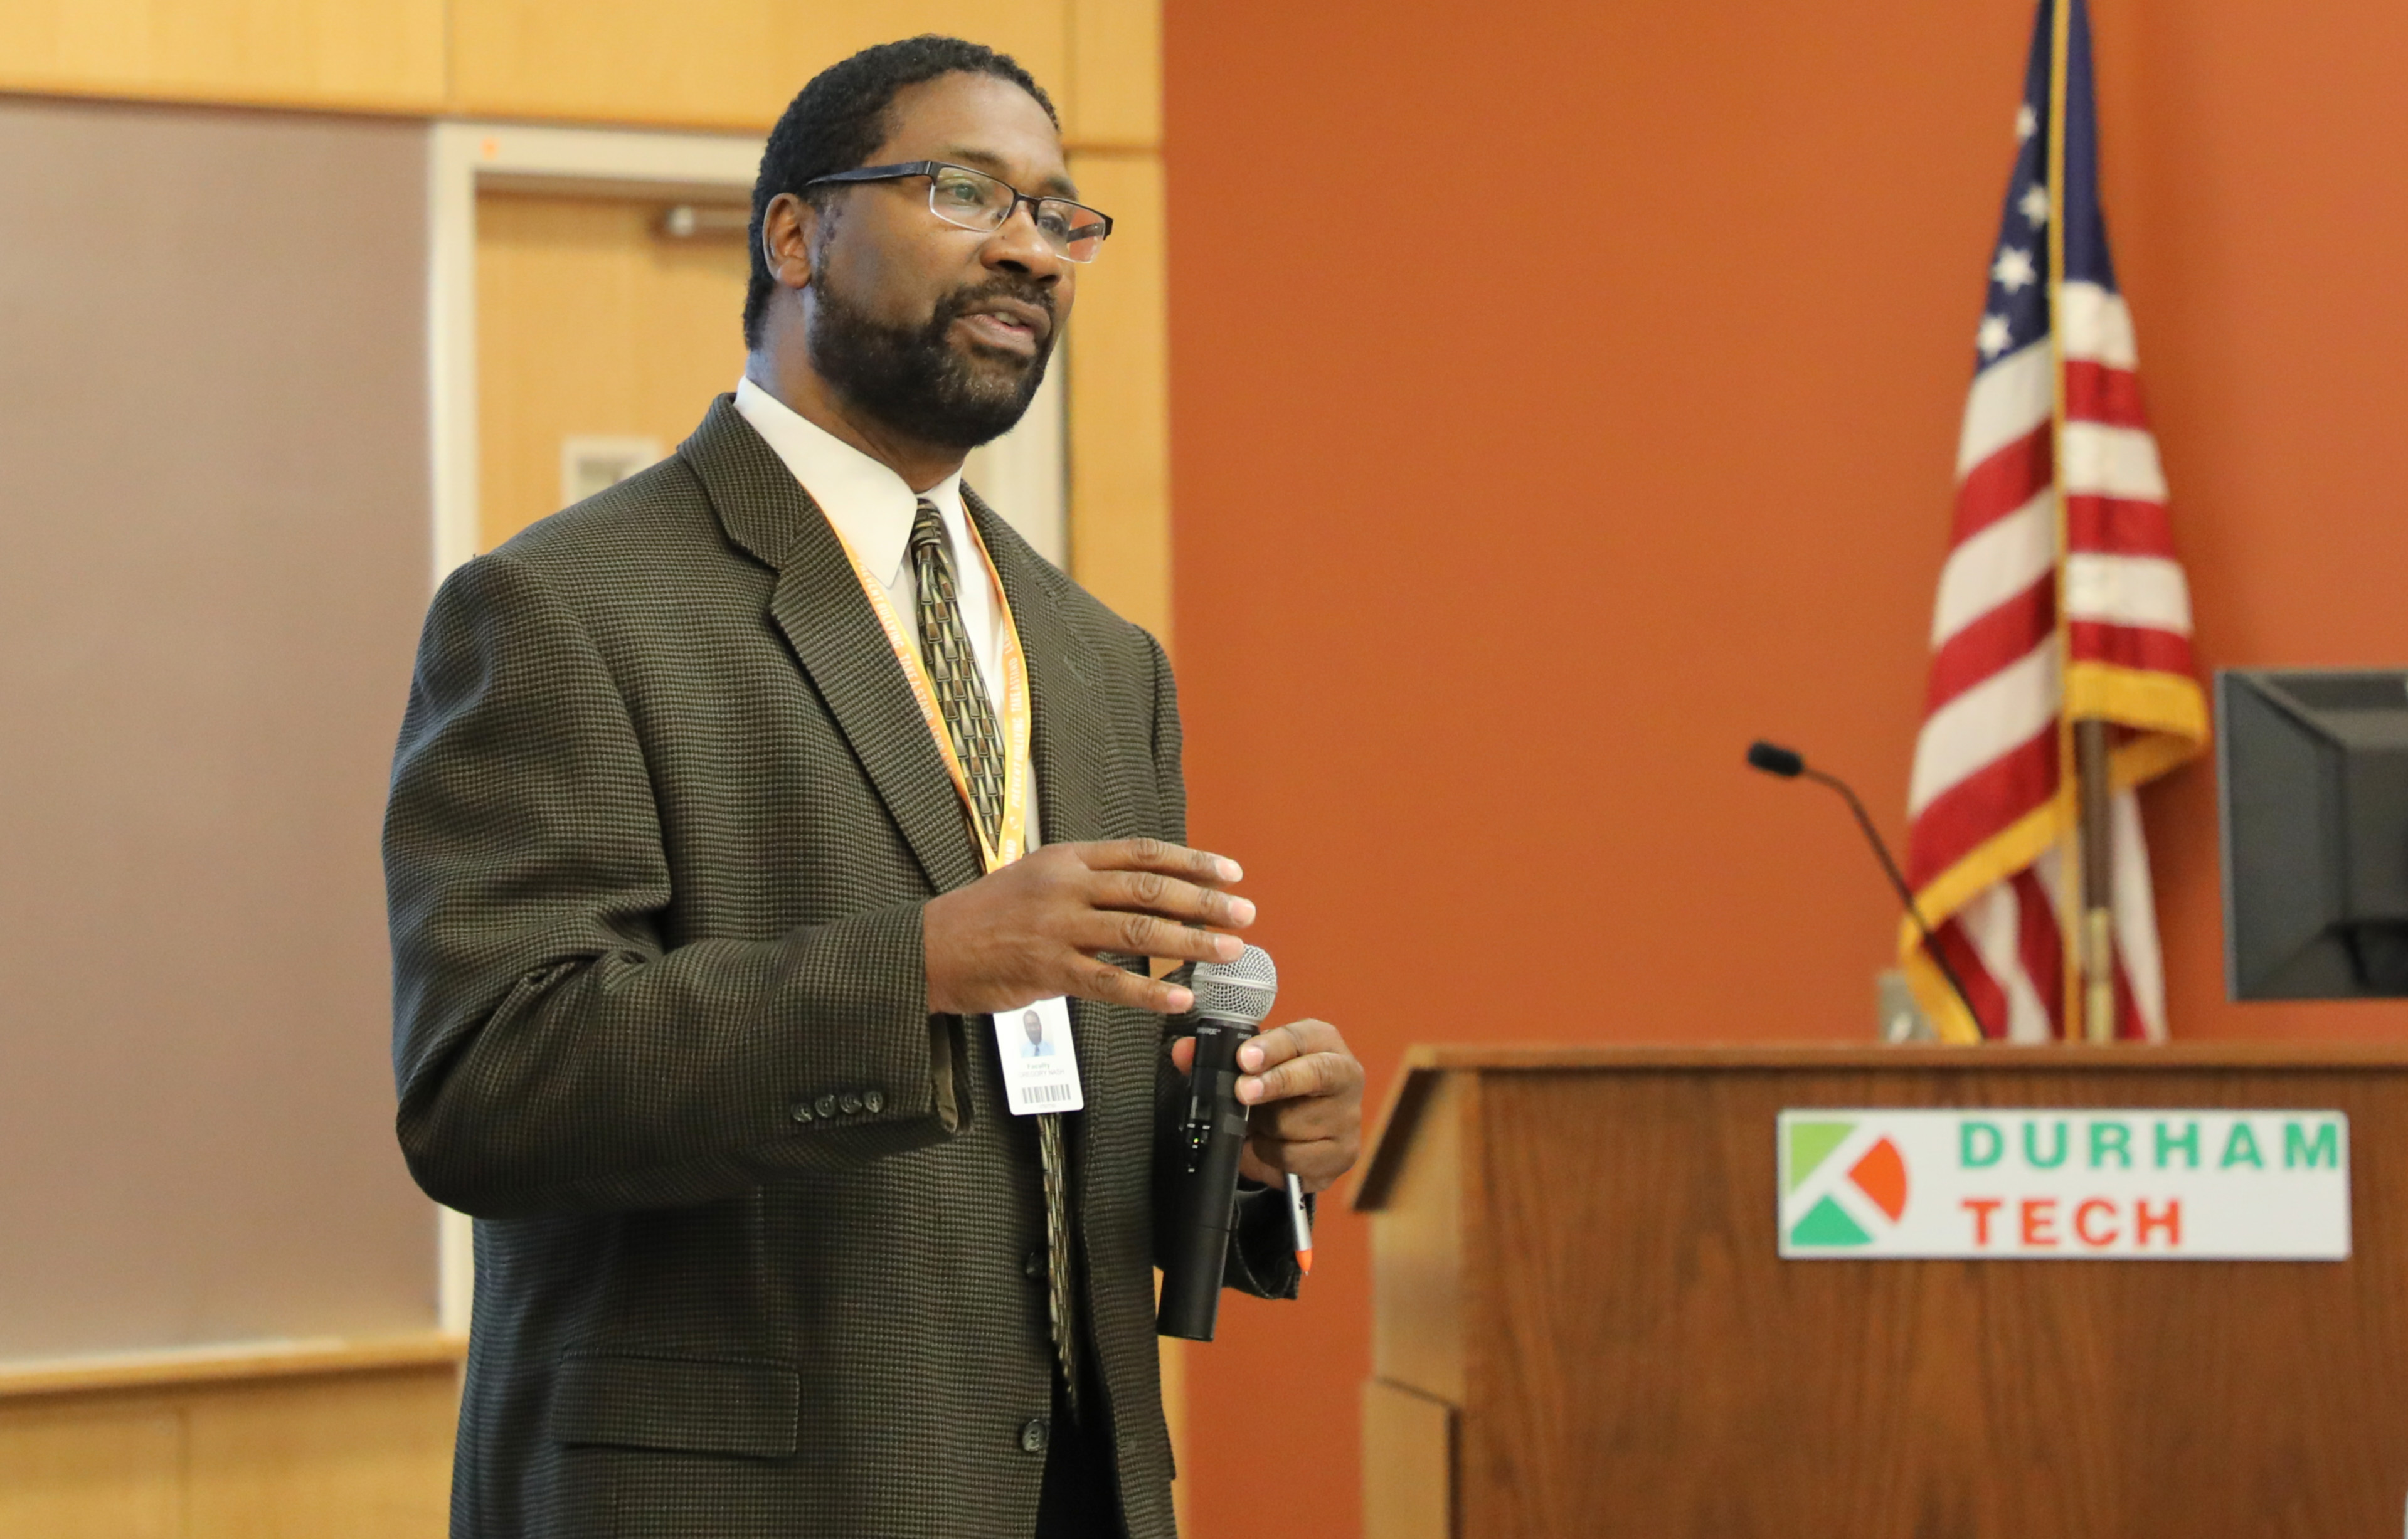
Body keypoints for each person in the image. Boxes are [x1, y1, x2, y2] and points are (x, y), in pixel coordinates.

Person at [383, 34, 1364, 1539]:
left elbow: (1045, 1133)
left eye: (1060, 215)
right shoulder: (566, 608)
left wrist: (1238, 1150)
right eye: (965, 192)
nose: (1029, 249)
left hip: (1076, 1497)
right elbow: (491, 1094)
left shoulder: (1105, 662)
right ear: (796, 232)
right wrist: (917, 970)